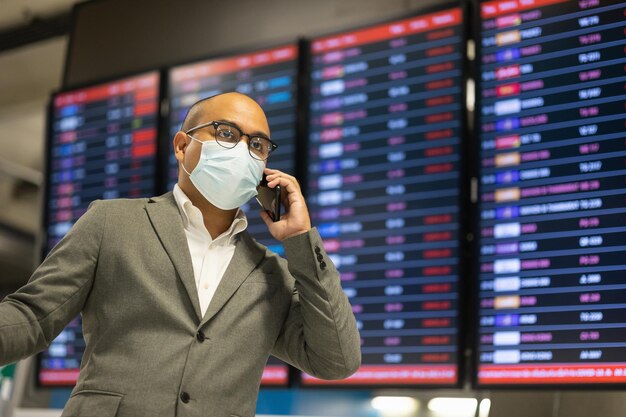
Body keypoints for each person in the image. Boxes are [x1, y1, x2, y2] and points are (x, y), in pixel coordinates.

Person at [0, 92, 361, 417]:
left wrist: (300, 240)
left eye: (258, 145)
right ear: (181, 146)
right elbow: (32, 317)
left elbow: (337, 361)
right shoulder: (111, 222)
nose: (243, 151)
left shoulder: (274, 275)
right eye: (226, 134)